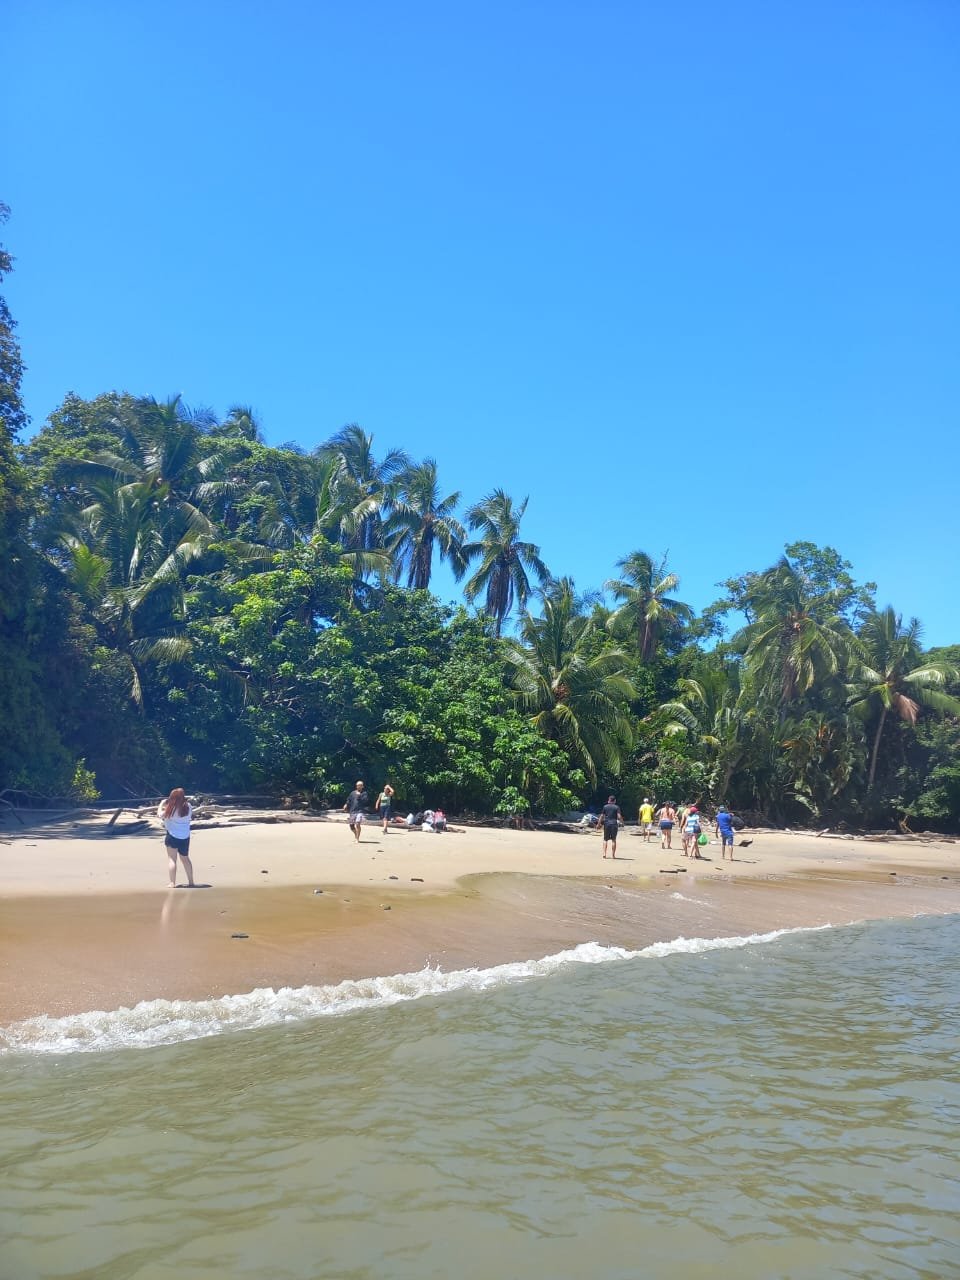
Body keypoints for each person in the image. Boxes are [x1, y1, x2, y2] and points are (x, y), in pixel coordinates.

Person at [158, 787, 195, 888]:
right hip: (185, 837)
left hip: (172, 836)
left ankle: (172, 883)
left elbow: (160, 815)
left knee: (172, 860)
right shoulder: (188, 807)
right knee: (185, 859)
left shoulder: (171, 808)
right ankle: (191, 882)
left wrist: (161, 804)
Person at [600, 794, 623, 859]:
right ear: (615, 801)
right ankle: (613, 855)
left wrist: (598, 824)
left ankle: (604, 854)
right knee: (613, 840)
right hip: (614, 824)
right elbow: (619, 816)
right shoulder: (617, 807)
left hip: (606, 824)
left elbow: (602, 816)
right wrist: (622, 822)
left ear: (609, 800)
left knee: (605, 839)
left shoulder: (605, 806)